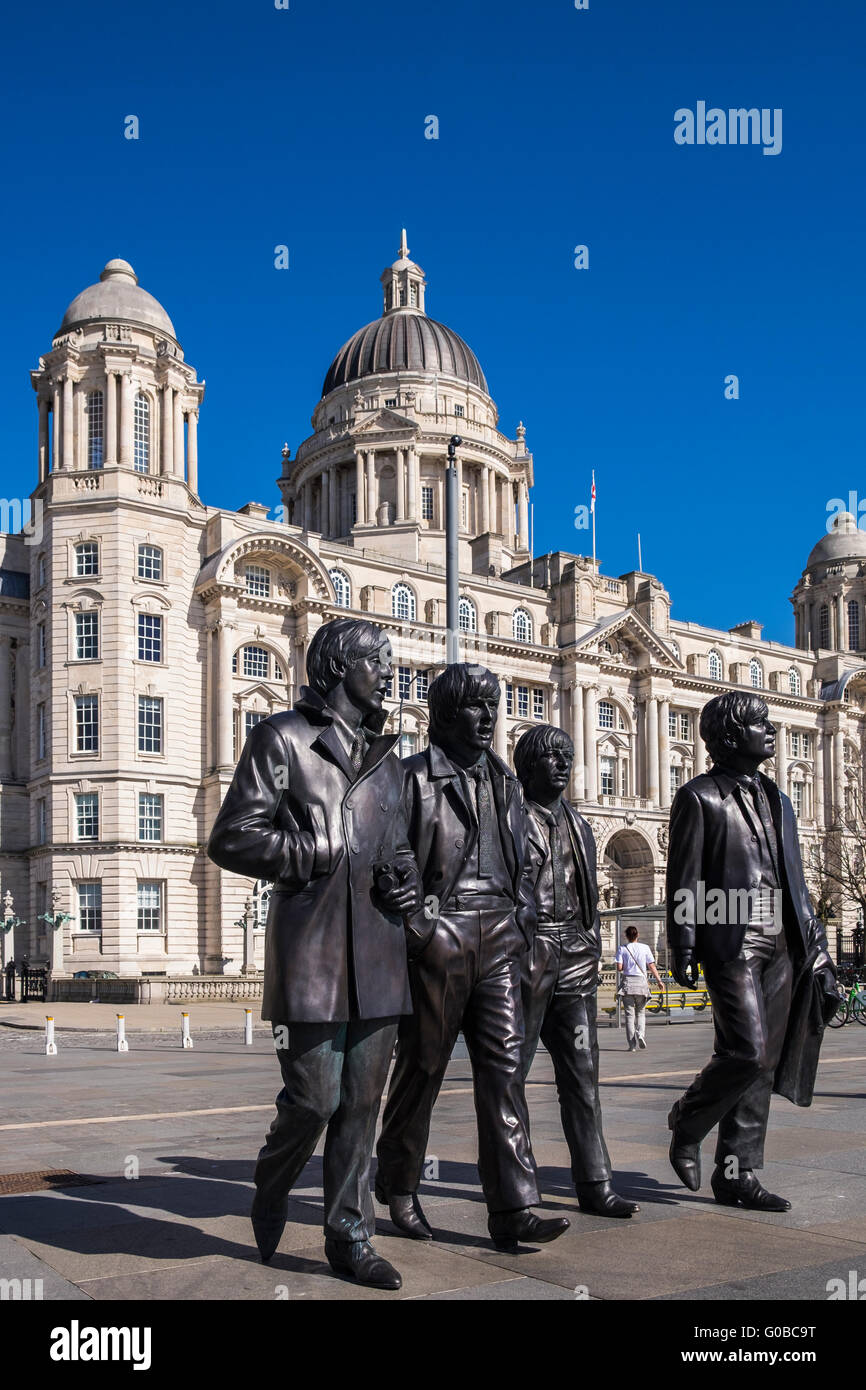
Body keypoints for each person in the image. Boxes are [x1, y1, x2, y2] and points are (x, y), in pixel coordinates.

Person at [207, 617, 422, 1289]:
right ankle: (272, 1183)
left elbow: (400, 848)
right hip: (314, 952)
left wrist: (406, 878)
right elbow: (231, 837)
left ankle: (350, 1236)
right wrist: (311, 852)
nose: (388, 673)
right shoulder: (283, 738)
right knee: (313, 1098)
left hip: (381, 952)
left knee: (363, 1106)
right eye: (376, 661)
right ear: (336, 667)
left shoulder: (391, 759)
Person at [375, 664, 569, 1253]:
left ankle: (513, 1208)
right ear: (443, 713)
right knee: (423, 1067)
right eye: (475, 706)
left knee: (506, 1071)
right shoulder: (411, 777)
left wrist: (524, 913)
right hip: (444, 931)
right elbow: (389, 857)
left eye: (493, 705)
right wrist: (420, 927)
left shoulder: (506, 782)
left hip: (502, 937)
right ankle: (399, 1183)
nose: (488, 717)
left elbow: (526, 858)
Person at [666, 691, 838, 1211]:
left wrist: (818, 946)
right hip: (730, 933)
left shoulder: (779, 799)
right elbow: (685, 876)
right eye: (759, 724)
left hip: (782, 937)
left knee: (765, 1063)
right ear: (729, 736)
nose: (771, 731)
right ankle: (687, 1119)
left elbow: (797, 879)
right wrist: (684, 943)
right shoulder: (701, 797)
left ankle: (737, 1174)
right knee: (745, 1050)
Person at [515, 724, 639, 1218]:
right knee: (510, 1080)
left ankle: (595, 1181)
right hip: (528, 958)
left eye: (567, 755)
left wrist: (590, 945)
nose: (563, 764)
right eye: (551, 757)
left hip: (576, 962)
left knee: (583, 1080)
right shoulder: (508, 819)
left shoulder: (582, 824)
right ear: (527, 765)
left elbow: (587, 896)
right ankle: (514, 1191)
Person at [615, 926, 664, 1051]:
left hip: (628, 983)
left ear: (626, 936)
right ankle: (640, 1034)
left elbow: (619, 968)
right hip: (641, 983)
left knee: (629, 1016)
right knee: (641, 1013)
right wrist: (659, 980)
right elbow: (652, 966)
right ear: (638, 935)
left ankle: (632, 1045)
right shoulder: (645, 948)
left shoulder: (622, 949)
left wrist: (626, 964)